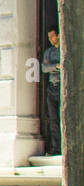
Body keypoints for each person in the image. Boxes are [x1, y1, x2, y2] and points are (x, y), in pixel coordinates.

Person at [43, 28, 62, 156]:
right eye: (49, 37)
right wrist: (56, 67)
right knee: (53, 119)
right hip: (52, 88)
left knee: (63, 118)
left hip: (62, 87)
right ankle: (56, 148)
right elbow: (44, 68)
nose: (50, 39)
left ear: (59, 36)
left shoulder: (63, 50)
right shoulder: (48, 52)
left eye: (52, 36)